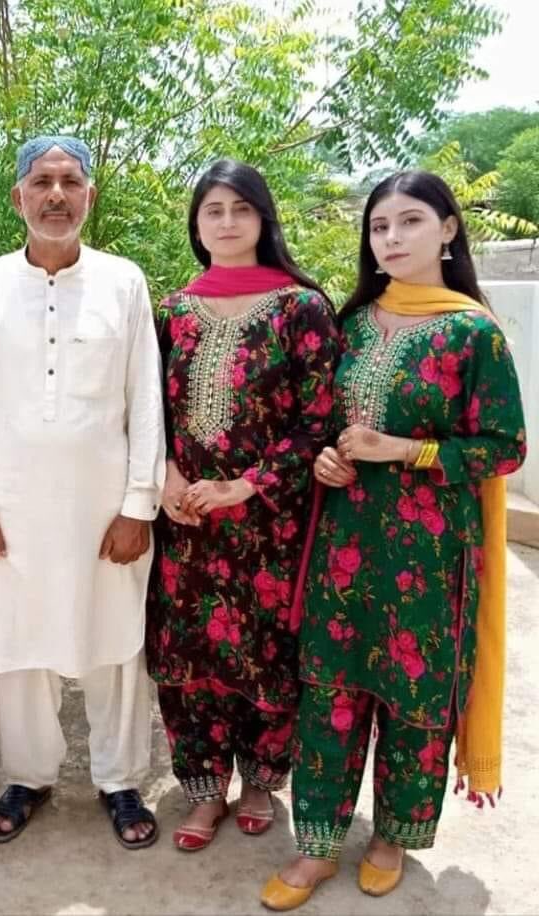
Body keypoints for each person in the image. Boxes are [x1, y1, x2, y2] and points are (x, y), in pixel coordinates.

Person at [261, 171, 527, 911]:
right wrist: (327, 458)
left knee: (414, 694)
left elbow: (505, 448)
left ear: (448, 231)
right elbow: (325, 424)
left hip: (430, 552)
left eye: (410, 222)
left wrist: (408, 450)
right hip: (345, 543)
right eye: (380, 227)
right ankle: (315, 846)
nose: (392, 239)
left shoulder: (472, 332)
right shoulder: (351, 324)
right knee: (331, 690)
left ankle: (391, 839)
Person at [0, 135, 166, 849]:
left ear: (90, 197)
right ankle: (30, 775)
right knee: (19, 645)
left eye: (71, 182)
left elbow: (145, 402)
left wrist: (140, 504)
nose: (56, 196)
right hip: (10, 506)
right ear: (18, 198)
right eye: (41, 182)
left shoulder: (124, 281)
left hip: (104, 507)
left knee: (113, 644)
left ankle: (121, 779)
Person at [147, 159, 339, 852]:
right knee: (189, 653)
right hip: (187, 522)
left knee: (264, 649)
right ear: (196, 225)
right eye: (212, 211)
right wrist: (168, 476)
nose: (226, 223)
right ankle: (204, 790)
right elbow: (145, 411)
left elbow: (320, 420)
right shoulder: (171, 310)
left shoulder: (301, 308)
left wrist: (243, 485)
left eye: (240, 209)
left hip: (269, 523)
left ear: (264, 219)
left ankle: (261, 780)